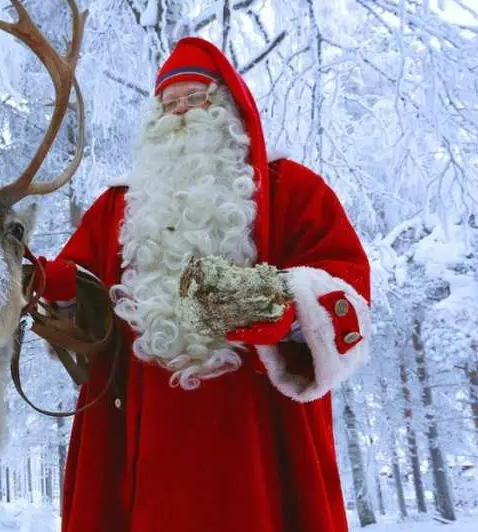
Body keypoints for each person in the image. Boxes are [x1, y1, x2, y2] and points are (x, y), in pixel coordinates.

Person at [37, 37, 372, 532]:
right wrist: (55, 288)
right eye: (169, 105)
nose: (180, 115)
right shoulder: (117, 209)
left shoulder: (291, 189)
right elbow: (81, 301)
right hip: (143, 442)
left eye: (195, 99)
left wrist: (282, 306)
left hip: (255, 441)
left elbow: (348, 290)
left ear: (228, 109)